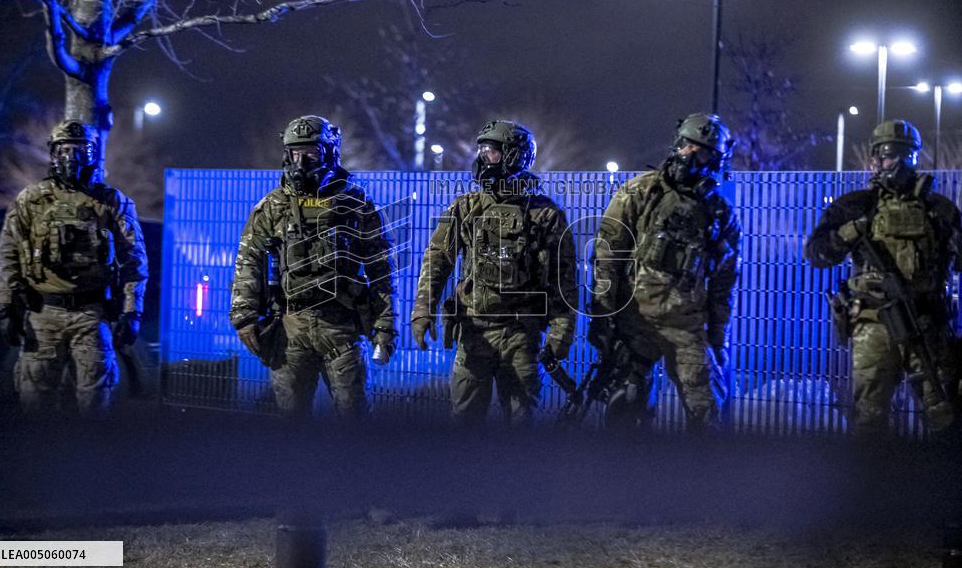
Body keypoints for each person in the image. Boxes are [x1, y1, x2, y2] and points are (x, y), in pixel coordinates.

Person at [230, 115, 397, 421]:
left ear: (329, 153)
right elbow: (249, 261)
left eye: (311, 153)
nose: (301, 161)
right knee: (291, 425)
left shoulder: (355, 203)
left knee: (355, 421)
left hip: (342, 327)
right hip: (290, 327)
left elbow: (381, 269)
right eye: (295, 152)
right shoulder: (273, 205)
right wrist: (244, 317)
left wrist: (385, 326)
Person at [411, 120, 578, 425]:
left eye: (491, 152)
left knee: (520, 426)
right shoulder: (466, 207)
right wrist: (423, 311)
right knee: (465, 422)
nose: (482, 159)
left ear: (515, 156)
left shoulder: (545, 213)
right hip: (474, 332)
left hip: (521, 336)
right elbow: (436, 261)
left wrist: (560, 335)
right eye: (482, 151)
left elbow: (562, 282)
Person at [805, 119, 961, 436]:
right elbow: (816, 254)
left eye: (907, 155)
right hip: (874, 324)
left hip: (926, 324)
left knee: (945, 415)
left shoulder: (938, 209)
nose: (898, 163)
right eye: (890, 154)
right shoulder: (855, 205)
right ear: (875, 159)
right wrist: (851, 231)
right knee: (870, 418)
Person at [588, 113, 740, 432]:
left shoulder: (718, 212)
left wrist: (717, 335)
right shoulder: (639, 191)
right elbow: (607, 257)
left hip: (685, 325)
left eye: (704, 152)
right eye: (687, 147)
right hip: (634, 320)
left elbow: (723, 283)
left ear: (716, 160)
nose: (692, 157)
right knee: (626, 407)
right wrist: (603, 317)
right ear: (677, 145)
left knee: (707, 409)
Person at [0, 119, 148, 417]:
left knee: (95, 406)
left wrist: (132, 312)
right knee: (34, 406)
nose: (72, 159)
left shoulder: (112, 203)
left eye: (81, 151)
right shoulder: (31, 200)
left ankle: (87, 461)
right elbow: (9, 254)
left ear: (93, 154)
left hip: (91, 316)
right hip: (42, 314)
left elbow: (134, 260)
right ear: (53, 154)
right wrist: (6, 307)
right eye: (64, 150)